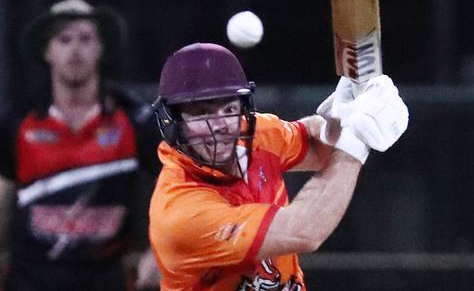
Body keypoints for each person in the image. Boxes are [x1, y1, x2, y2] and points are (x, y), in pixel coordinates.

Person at [149, 42, 409, 290]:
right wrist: (356, 142)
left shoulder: (254, 135)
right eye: (202, 113)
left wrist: (339, 122)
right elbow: (305, 230)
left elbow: (314, 145)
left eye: (229, 109)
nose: (220, 126)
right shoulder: (180, 213)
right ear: (173, 122)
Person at [0, 0, 160, 291]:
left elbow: (170, 189)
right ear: (48, 51)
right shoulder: (15, 123)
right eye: (64, 39)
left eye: (85, 38)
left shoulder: (136, 120)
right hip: (29, 282)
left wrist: (157, 252)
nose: (75, 50)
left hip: (106, 281)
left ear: (100, 48)